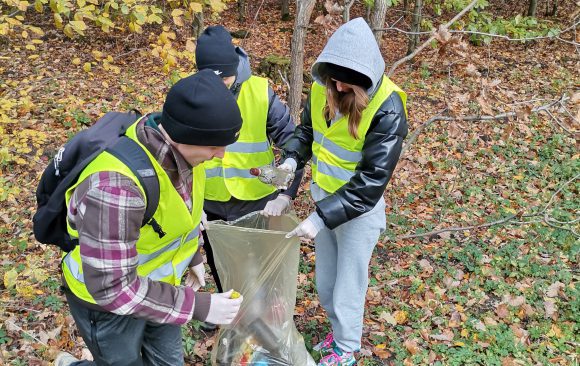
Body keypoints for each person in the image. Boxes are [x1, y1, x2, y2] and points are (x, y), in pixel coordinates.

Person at [54, 70, 244, 366]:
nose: (220, 155)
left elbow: (181, 213)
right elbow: (112, 288)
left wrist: (193, 256)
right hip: (107, 307)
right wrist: (199, 306)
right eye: (214, 146)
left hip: (160, 290)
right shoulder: (115, 188)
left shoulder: (189, 156)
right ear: (185, 135)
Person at [281, 18, 408, 366]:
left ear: (363, 78)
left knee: (347, 287)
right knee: (325, 284)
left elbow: (370, 182)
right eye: (332, 77)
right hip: (323, 203)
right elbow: (307, 133)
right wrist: (291, 159)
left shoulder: (388, 107)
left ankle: (347, 349)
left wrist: (320, 219)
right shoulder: (326, 88)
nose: (337, 85)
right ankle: (338, 336)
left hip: (357, 213)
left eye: (345, 80)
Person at [193, 26, 303, 305]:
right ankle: (228, 306)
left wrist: (285, 193)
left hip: (257, 200)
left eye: (225, 80)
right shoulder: (190, 91)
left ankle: (262, 311)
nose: (219, 88)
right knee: (219, 257)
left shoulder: (259, 91)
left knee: (259, 260)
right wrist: (188, 204)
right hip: (209, 199)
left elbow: (294, 143)